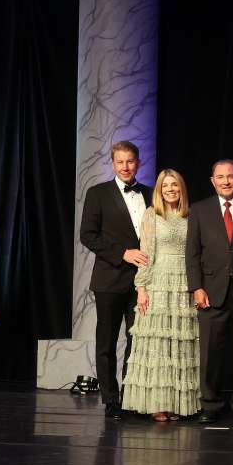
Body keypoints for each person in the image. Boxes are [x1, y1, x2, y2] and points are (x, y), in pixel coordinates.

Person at [79, 140, 152, 421]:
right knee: (107, 342)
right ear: (112, 163)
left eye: (130, 161)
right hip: (109, 278)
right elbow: (88, 235)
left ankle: (130, 397)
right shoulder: (98, 193)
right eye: (120, 161)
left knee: (138, 341)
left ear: (138, 163)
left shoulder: (149, 193)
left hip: (143, 281)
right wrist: (123, 253)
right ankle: (111, 400)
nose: (125, 166)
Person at [122, 169, 200, 421]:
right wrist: (142, 288)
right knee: (157, 344)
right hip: (158, 280)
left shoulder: (191, 214)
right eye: (165, 185)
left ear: (181, 188)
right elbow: (145, 253)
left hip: (183, 283)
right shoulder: (151, 214)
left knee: (179, 344)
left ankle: (177, 403)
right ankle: (157, 403)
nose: (170, 189)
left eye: (174, 185)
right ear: (159, 189)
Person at [186, 159, 233, 424]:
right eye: (220, 177)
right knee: (211, 353)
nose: (226, 181)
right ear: (212, 181)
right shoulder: (199, 210)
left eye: (231, 176)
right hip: (211, 292)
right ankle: (210, 404)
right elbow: (192, 253)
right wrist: (196, 287)